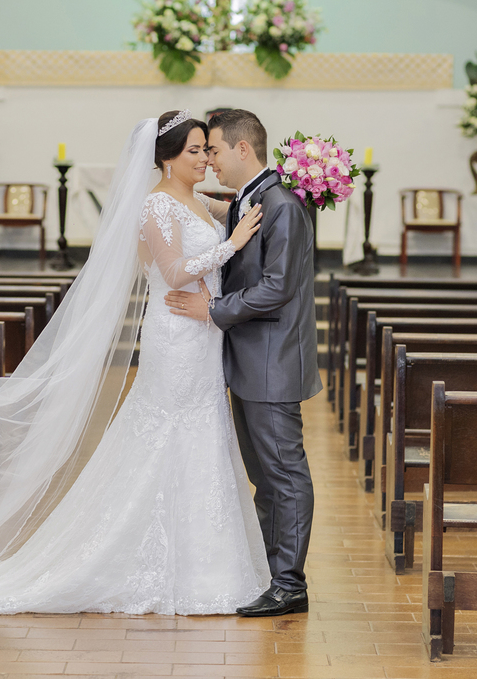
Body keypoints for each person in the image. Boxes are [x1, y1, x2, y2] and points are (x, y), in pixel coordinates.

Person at [0, 110, 271, 615]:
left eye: (207, 150)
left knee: (202, 432)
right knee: (167, 431)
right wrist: (231, 245)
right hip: (176, 333)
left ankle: (206, 566)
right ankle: (143, 562)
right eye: (194, 151)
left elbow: (220, 221)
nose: (205, 159)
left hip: (204, 334)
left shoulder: (196, 201)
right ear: (166, 159)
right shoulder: (155, 206)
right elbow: (172, 270)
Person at [165, 108, 320, 617]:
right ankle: (273, 572)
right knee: (264, 472)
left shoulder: (282, 205)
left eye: (212, 149)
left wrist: (212, 311)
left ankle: (290, 585)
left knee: (283, 472)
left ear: (242, 150)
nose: (209, 158)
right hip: (251, 358)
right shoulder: (255, 198)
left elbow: (277, 288)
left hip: (272, 361)